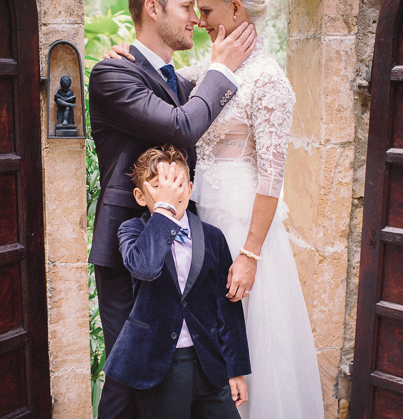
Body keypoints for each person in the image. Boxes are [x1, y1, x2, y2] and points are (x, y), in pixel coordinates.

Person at [106, 0, 325, 417]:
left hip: (244, 228)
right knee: (200, 323)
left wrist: (250, 254)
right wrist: (124, 52)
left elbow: (272, 178)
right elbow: (159, 81)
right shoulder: (206, 75)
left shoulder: (268, 81)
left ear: (236, 9)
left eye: (205, 10)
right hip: (198, 219)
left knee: (249, 332)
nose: (199, 20)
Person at [87, 0, 256, 417]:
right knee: (128, 380)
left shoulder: (180, 84)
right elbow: (183, 126)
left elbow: (189, 108)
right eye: (185, 6)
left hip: (185, 244)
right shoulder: (112, 73)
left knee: (186, 364)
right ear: (153, 8)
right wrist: (220, 69)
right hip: (131, 251)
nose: (196, 18)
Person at [106, 145, 251, 419]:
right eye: (161, 186)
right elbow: (145, 268)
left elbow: (227, 307)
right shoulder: (132, 231)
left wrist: (236, 369)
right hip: (160, 367)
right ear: (140, 196)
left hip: (210, 364)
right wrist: (163, 210)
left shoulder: (213, 236)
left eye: (179, 184)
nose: (172, 193)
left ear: (191, 188)